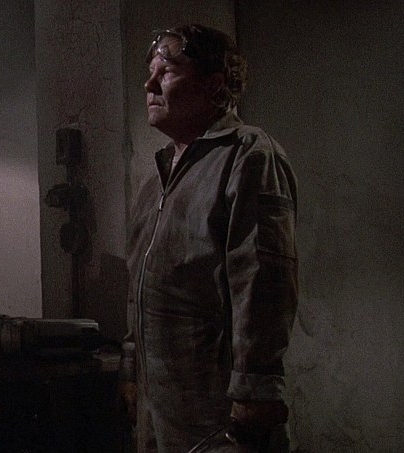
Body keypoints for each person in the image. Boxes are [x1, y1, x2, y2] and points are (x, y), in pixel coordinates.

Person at [119, 24, 298, 452]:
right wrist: (131, 370)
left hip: (219, 416)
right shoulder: (156, 180)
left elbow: (264, 279)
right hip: (161, 410)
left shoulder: (247, 155)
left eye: (167, 71)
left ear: (214, 84)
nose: (149, 84)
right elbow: (137, 288)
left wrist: (254, 389)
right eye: (149, 72)